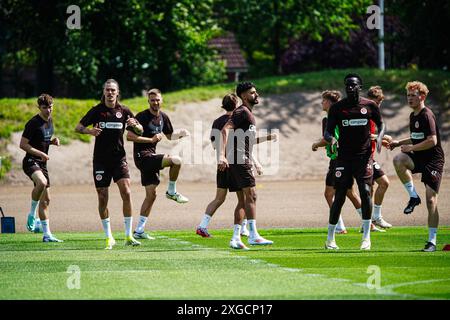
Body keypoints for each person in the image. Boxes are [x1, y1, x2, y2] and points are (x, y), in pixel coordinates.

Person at [196, 94, 276, 241]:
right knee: (245, 198)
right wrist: (266, 140)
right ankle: (243, 230)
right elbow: (245, 143)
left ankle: (202, 225)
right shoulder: (239, 119)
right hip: (236, 162)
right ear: (238, 103)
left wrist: (222, 155)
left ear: (223, 105)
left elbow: (215, 145)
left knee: (219, 198)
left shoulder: (217, 121)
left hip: (222, 164)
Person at [75, 79, 143, 249]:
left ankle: (128, 235)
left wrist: (135, 126)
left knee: (126, 192)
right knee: (102, 196)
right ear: (104, 92)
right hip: (101, 160)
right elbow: (78, 127)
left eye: (113, 90)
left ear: (117, 92)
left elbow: (140, 129)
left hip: (119, 158)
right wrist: (90, 131)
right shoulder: (97, 111)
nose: (110, 93)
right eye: (107, 90)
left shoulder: (124, 110)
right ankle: (109, 237)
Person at [324, 74, 385, 250]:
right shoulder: (337, 108)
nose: (350, 88)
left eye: (353, 85)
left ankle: (366, 237)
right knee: (340, 195)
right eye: (347, 85)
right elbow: (328, 132)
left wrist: (380, 138)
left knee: (365, 191)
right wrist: (331, 140)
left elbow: (381, 124)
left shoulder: (369, 105)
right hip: (343, 157)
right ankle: (330, 238)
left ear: (360, 86)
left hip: (363, 157)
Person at [388, 81, 445, 252]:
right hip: (419, 157)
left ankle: (432, 242)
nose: (410, 98)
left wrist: (411, 148)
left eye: (413, 95)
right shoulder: (413, 116)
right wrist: (399, 143)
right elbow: (416, 137)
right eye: (408, 95)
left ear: (423, 96)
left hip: (433, 160)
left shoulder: (427, 115)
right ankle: (413, 196)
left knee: (431, 200)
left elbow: (432, 141)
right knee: (399, 159)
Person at [126, 88, 189, 240]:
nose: (155, 102)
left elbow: (169, 135)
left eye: (157, 100)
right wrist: (151, 140)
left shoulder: (163, 117)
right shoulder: (141, 116)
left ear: (162, 100)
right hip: (143, 157)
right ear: (148, 101)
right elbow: (129, 136)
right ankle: (171, 191)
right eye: (152, 100)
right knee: (176, 161)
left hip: (151, 158)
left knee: (151, 195)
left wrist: (181, 133)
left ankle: (139, 231)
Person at [219, 82, 275, 248]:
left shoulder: (248, 114)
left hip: (240, 159)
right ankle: (253, 235)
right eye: (252, 93)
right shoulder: (242, 112)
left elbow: (247, 141)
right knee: (252, 196)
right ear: (243, 96)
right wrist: (222, 155)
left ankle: (236, 237)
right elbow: (224, 130)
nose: (256, 95)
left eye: (256, 92)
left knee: (243, 200)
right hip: (239, 160)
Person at [312, 90, 365, 234]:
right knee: (349, 192)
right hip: (347, 159)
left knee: (330, 193)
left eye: (323, 100)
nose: (322, 103)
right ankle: (368, 223)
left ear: (329, 102)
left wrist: (315, 144)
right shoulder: (344, 115)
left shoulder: (329, 119)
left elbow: (327, 139)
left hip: (338, 160)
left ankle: (340, 226)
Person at [20, 93, 62, 242]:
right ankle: (32, 214)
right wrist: (41, 154)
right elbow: (23, 144)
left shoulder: (50, 121)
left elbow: (41, 140)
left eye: (50, 107)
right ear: (39, 107)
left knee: (46, 200)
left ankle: (47, 235)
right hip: (31, 161)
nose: (48, 110)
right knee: (42, 183)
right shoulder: (33, 123)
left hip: (42, 163)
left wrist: (52, 142)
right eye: (44, 107)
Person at [366, 86, 392, 229]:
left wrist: (381, 140)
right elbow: (365, 135)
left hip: (368, 156)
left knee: (369, 189)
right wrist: (383, 137)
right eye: (377, 102)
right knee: (384, 183)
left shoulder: (371, 115)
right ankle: (375, 218)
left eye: (380, 103)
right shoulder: (365, 114)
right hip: (364, 157)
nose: (378, 106)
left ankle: (368, 223)